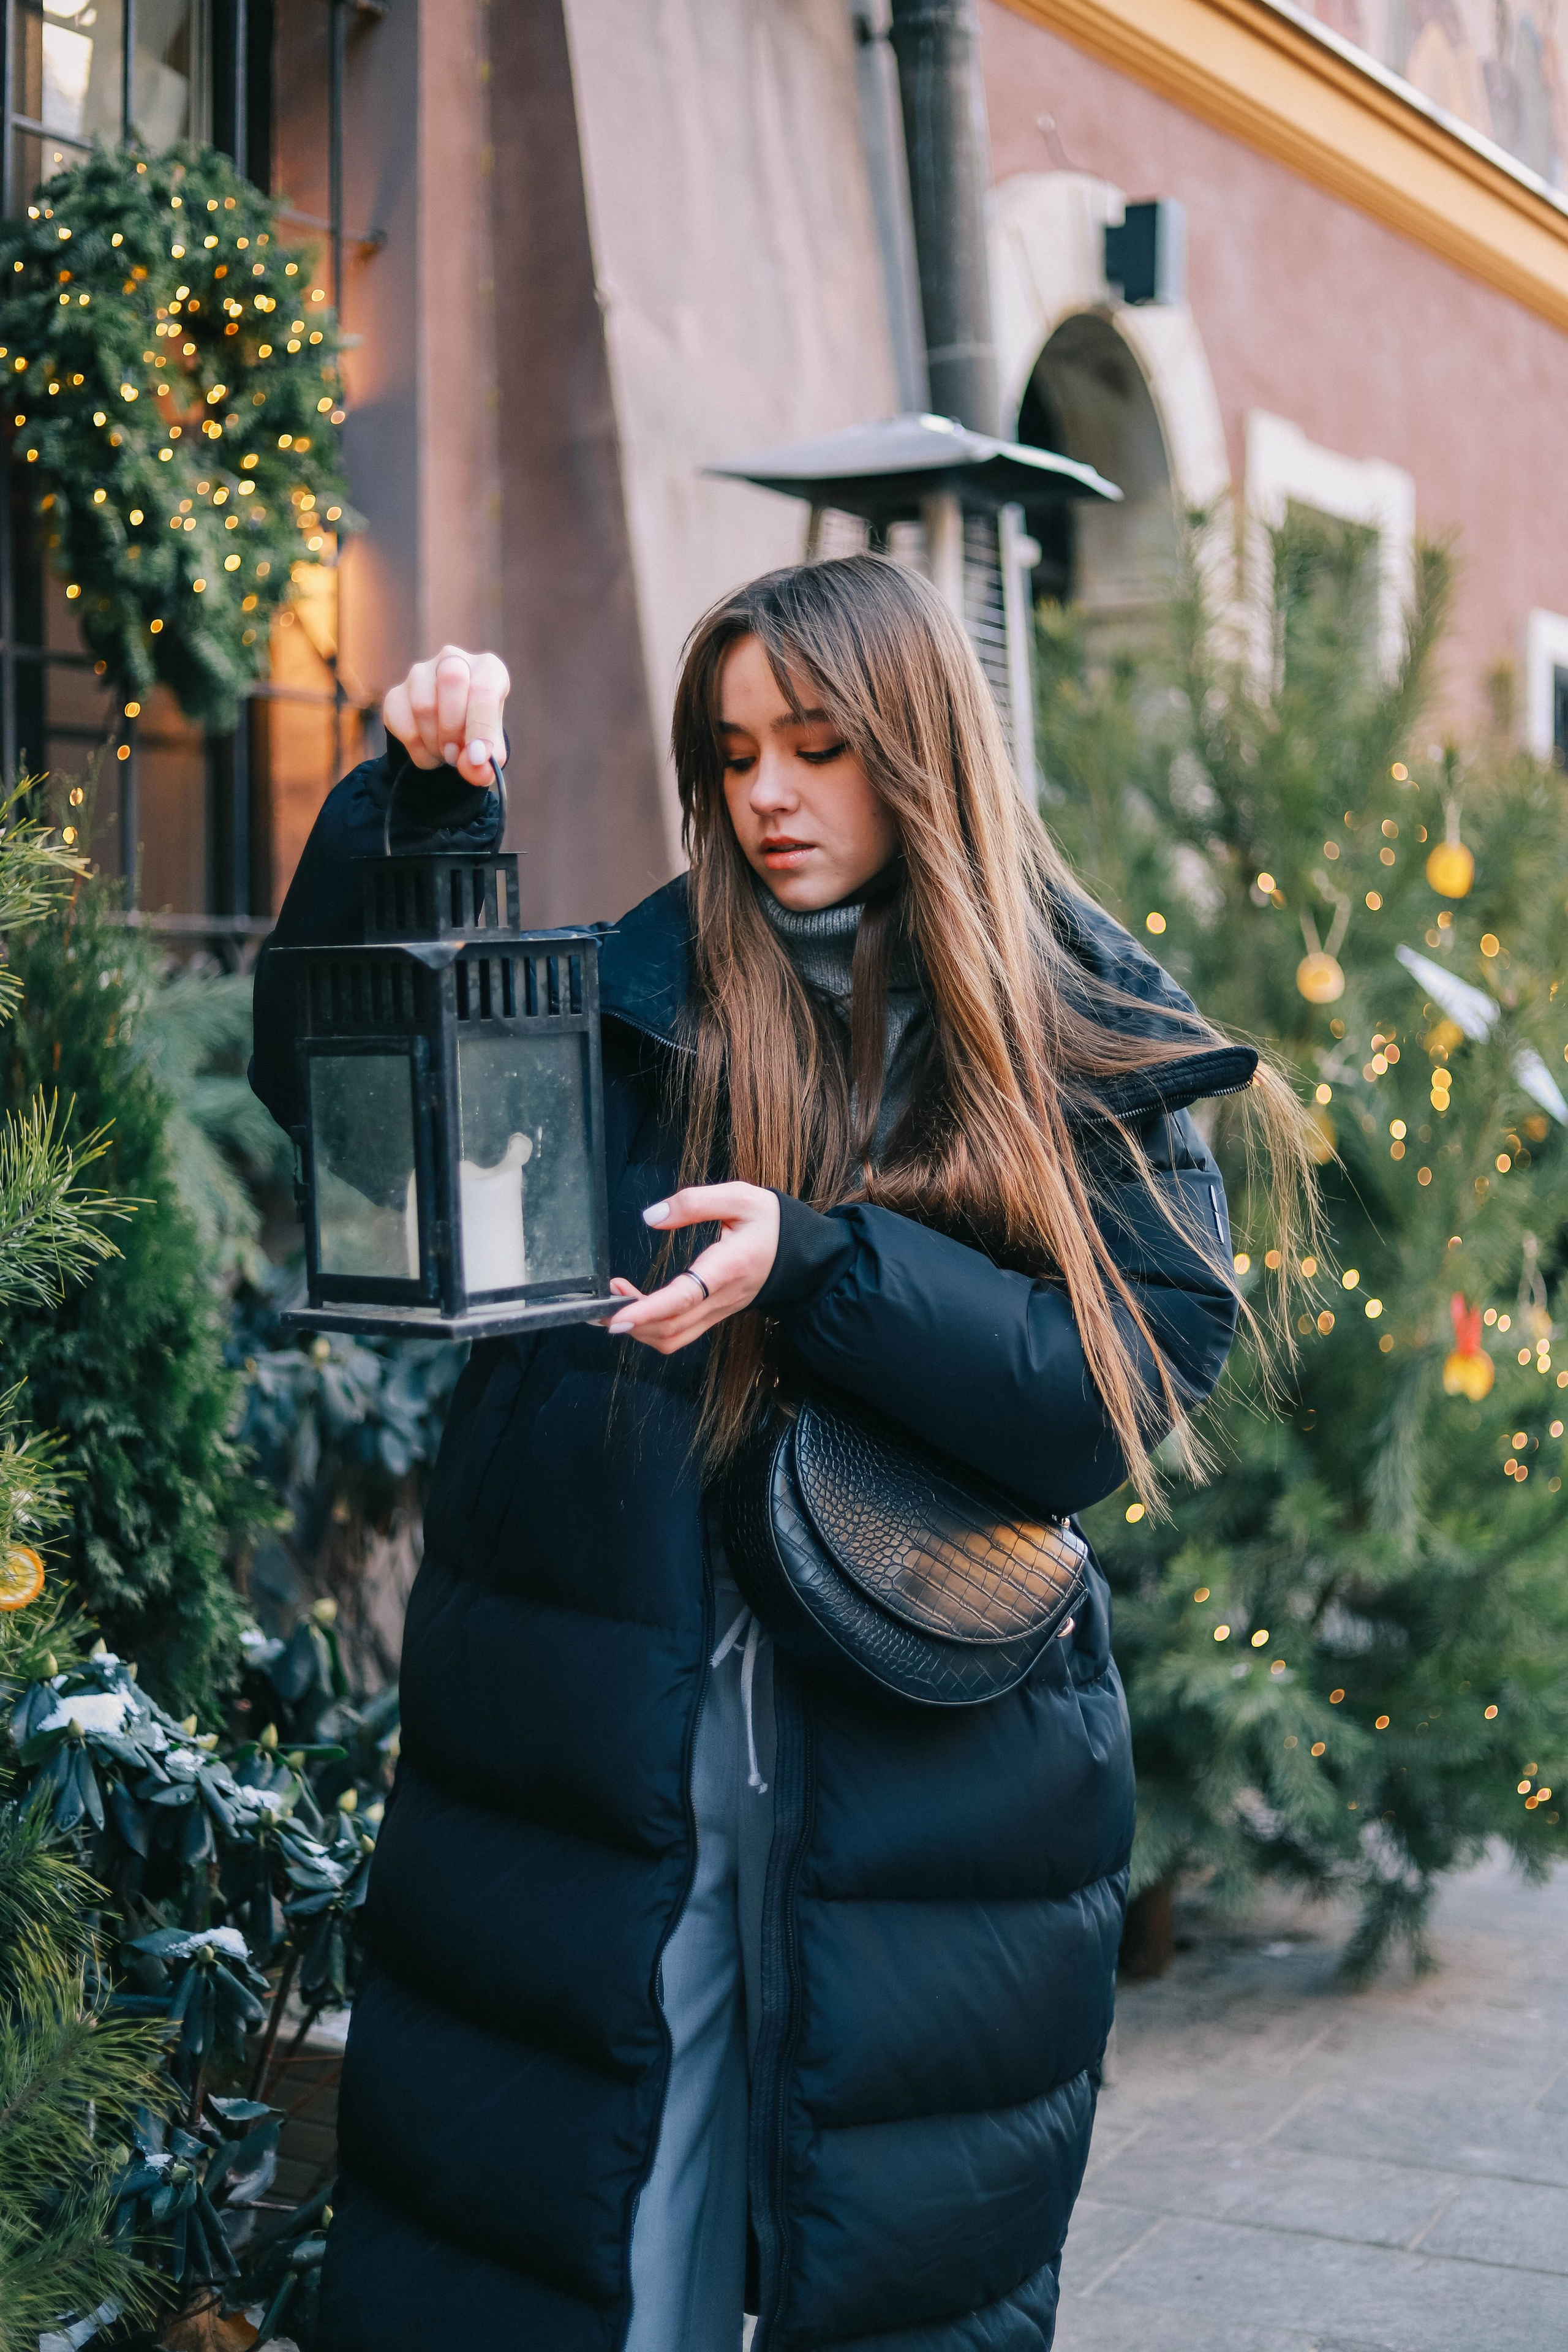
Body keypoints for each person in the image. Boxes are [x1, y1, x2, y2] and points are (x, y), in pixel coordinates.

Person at [250, 554, 1309, 2352]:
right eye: (735, 753)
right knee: (588, 2230)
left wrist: (817, 1272)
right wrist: (418, 822)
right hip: (596, 1728)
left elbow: (1116, 1374)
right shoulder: (626, 997)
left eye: (815, 747)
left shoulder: (1065, 1031)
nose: (766, 796)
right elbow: (362, 1115)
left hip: (913, 1763)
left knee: (855, 2253)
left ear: (916, 747)